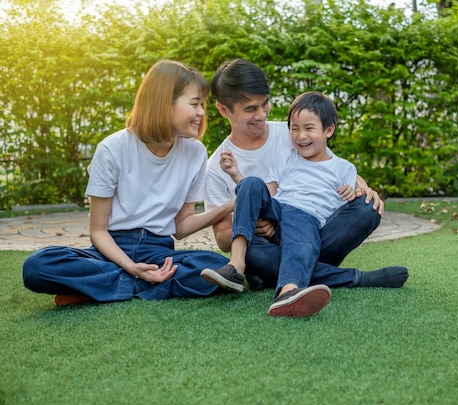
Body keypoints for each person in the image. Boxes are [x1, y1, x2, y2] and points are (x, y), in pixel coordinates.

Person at [22, 59, 234, 306]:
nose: (201, 113)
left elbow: (181, 226)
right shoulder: (112, 149)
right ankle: (139, 284)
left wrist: (230, 205)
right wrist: (131, 267)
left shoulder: (195, 152)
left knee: (218, 266)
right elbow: (98, 231)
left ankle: (97, 289)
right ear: (164, 103)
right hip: (111, 250)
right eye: (195, 104)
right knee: (37, 265)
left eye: (202, 105)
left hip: (159, 251)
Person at [204, 58, 409, 298]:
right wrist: (256, 225)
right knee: (255, 249)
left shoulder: (293, 132)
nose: (261, 114)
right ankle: (356, 278)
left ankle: (276, 274)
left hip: (312, 230)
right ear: (223, 109)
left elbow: (328, 166)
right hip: (266, 242)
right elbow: (222, 237)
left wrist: (363, 188)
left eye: (265, 103)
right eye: (251, 108)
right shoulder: (216, 167)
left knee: (365, 209)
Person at [202, 92, 358, 317]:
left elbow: (343, 209)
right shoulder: (285, 156)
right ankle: (235, 266)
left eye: (309, 128)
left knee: (296, 229)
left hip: (307, 217)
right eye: (294, 128)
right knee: (252, 184)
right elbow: (268, 195)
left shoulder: (345, 168)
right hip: (279, 210)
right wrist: (237, 176)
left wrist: (351, 191)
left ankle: (288, 290)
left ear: (329, 130)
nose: (300, 135)